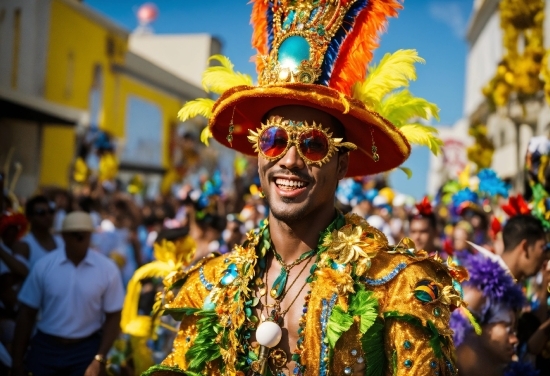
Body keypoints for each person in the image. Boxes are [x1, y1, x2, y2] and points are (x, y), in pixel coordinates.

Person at [143, 1, 465, 375]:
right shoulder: (215, 287)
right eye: (274, 140)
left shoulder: (395, 288)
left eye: (314, 144)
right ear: (258, 154)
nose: (291, 160)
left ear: (342, 164)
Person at [11, 211, 125, 376]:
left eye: (83, 235)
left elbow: (114, 316)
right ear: (63, 236)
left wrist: (99, 358)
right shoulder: (44, 266)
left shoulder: (107, 269)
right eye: (74, 235)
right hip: (47, 346)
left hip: (86, 347)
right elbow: (27, 313)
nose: (79, 239)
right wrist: (17, 362)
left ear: (90, 236)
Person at [450, 214, 547, 375]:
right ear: (525, 247)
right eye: (543, 248)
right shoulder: (484, 284)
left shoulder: (511, 287)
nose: (546, 256)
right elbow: (451, 336)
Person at [15, 196, 63, 269]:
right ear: (29, 217)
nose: (48, 216)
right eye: (41, 213)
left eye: (51, 211)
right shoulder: (24, 246)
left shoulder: (61, 241)